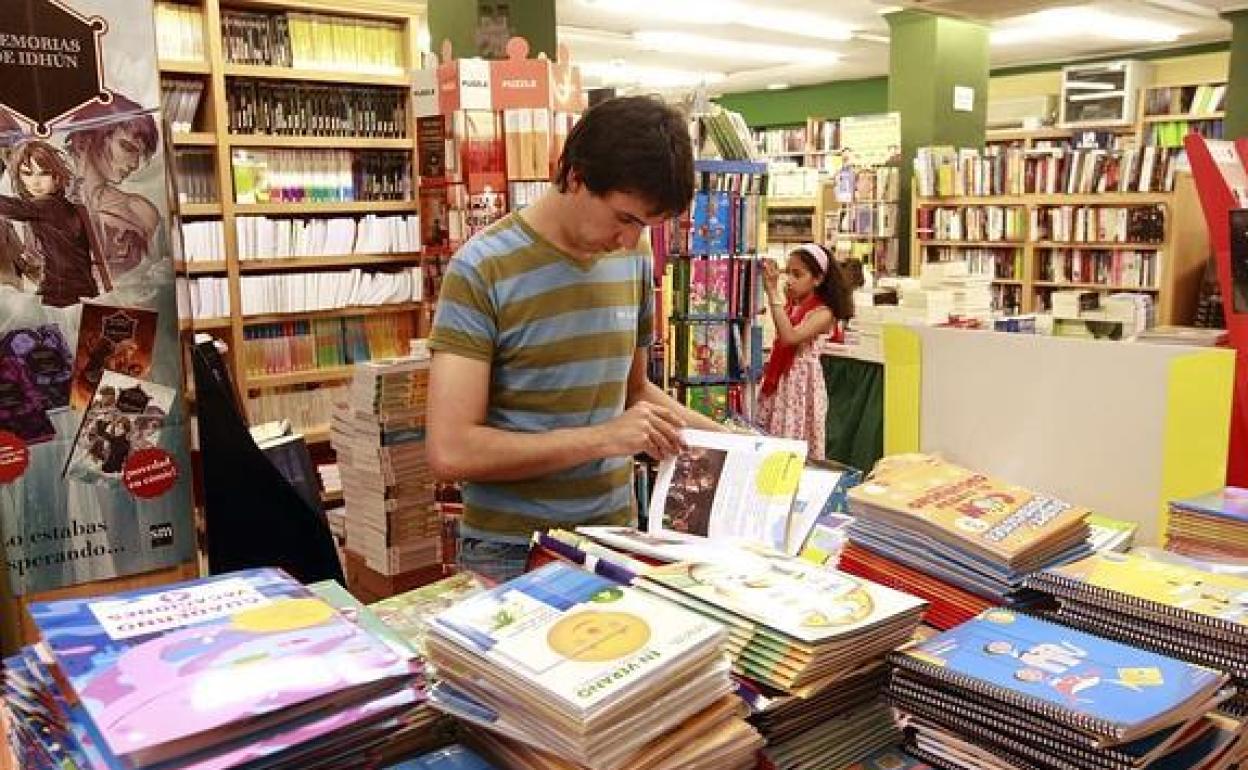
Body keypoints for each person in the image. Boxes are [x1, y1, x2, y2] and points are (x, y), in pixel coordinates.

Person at [426, 95, 724, 582]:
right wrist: (602, 439)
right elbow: (451, 450)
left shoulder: (633, 255)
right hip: (511, 551)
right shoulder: (482, 268)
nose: (629, 239)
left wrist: (738, 445)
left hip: (615, 538)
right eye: (625, 218)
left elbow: (633, 392)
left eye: (645, 225)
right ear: (575, 177)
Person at [757, 243, 853, 461]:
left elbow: (790, 337)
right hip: (782, 381)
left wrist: (772, 293)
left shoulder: (824, 313)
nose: (790, 280)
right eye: (788, 273)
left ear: (817, 279)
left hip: (802, 386)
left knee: (795, 442)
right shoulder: (794, 305)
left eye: (797, 274)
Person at [0, 139, 113, 307]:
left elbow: (14, 207)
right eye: (27, 173)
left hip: (64, 295)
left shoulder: (50, 206)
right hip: (73, 291)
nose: (35, 182)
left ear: (57, 176)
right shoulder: (64, 206)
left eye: (44, 173)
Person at [64, 96, 160, 279]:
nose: (134, 165)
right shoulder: (43, 203)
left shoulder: (140, 211)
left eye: (140, 155)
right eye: (128, 147)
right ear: (90, 137)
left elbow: (154, 279)